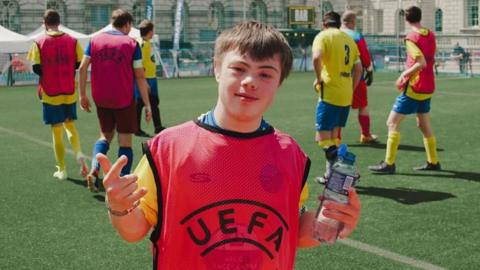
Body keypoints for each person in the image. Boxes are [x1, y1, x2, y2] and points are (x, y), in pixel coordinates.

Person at [96, 21, 361, 270]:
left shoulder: (291, 154)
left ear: (279, 82)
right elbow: (134, 231)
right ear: (217, 69)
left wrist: (330, 223)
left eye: (265, 74)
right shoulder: (168, 148)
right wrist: (119, 206)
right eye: (239, 69)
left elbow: (290, 229)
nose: (250, 81)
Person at [79, 9, 151, 191]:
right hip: (124, 99)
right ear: (126, 24)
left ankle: (95, 168)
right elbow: (140, 76)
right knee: (125, 142)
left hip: (101, 98)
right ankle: (121, 183)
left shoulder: (94, 41)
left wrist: (82, 95)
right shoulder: (131, 44)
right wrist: (147, 104)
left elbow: (82, 68)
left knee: (105, 136)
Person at [369, 6, 441, 174]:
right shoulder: (429, 34)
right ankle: (433, 161)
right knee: (423, 124)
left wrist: (404, 74)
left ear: (406, 20)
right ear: (419, 17)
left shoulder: (411, 38)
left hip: (415, 87)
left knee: (392, 123)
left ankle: (389, 163)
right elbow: (430, 58)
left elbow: (421, 62)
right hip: (428, 85)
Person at [27, 9, 88, 180]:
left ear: (44, 23)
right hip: (69, 91)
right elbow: (78, 64)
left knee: (57, 130)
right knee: (70, 125)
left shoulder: (38, 42)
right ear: (59, 22)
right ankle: (78, 153)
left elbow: (36, 68)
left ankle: (62, 169)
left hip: (50, 92)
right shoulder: (73, 41)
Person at [311, 11, 363, 183]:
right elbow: (359, 69)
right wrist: (352, 87)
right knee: (334, 136)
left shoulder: (323, 36)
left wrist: (319, 79)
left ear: (324, 23)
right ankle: (330, 176)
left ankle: (348, 169)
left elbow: (317, 57)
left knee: (322, 137)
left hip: (330, 92)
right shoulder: (349, 39)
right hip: (345, 93)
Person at [340, 10, 378, 144]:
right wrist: (369, 69)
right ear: (353, 22)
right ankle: (365, 135)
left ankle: (333, 137)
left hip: (336, 78)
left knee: (336, 106)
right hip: (355, 76)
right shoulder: (356, 36)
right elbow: (364, 56)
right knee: (363, 105)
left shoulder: (332, 34)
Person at [134, 20, 166, 138]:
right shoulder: (143, 45)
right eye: (153, 30)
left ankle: (158, 126)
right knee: (140, 103)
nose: (154, 33)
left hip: (151, 77)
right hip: (146, 79)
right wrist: (144, 82)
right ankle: (136, 128)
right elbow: (140, 63)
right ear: (150, 31)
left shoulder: (146, 43)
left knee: (153, 102)